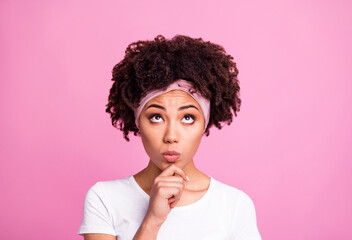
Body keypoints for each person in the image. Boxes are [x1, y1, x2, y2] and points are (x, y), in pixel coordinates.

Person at [78, 35, 262, 240]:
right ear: (138, 121)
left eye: (188, 118)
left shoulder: (234, 205)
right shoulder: (105, 198)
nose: (171, 136)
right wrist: (153, 220)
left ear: (204, 124)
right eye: (156, 117)